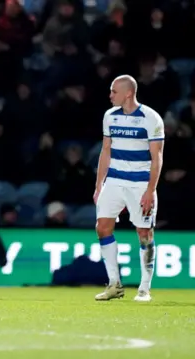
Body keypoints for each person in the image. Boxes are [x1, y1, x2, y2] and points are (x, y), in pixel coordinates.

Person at [94, 75, 164, 302]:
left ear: (127, 93)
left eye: (114, 91)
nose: (110, 95)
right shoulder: (109, 116)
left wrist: (150, 190)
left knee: (144, 233)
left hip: (140, 183)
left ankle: (144, 288)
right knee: (102, 227)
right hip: (114, 180)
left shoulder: (150, 118)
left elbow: (157, 158)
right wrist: (99, 186)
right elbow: (106, 151)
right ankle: (114, 284)